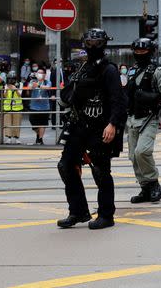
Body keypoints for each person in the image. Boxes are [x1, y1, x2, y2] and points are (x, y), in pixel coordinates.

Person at [56, 28, 127, 230]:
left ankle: (106, 215)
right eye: (89, 43)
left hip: (100, 127)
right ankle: (78, 211)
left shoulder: (109, 69)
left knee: (101, 171)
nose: (92, 47)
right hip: (79, 125)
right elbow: (68, 96)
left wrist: (113, 124)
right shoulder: (83, 67)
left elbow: (118, 100)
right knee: (66, 165)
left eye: (96, 43)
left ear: (104, 44)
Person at [126, 37, 161, 204]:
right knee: (133, 156)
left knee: (142, 152)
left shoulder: (157, 71)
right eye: (137, 51)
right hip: (132, 118)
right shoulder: (131, 71)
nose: (139, 54)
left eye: (143, 51)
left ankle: (154, 183)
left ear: (150, 52)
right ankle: (145, 188)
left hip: (149, 118)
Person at [27, 69, 52, 145]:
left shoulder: (48, 81)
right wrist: (32, 85)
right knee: (33, 123)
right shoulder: (33, 81)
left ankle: (40, 139)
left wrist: (38, 85)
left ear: (45, 74)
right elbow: (29, 88)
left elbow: (48, 87)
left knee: (42, 123)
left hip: (44, 106)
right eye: (38, 73)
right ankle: (38, 135)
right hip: (33, 106)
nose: (40, 74)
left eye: (41, 73)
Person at [1, 71, 24, 144]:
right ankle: (8, 138)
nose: (11, 80)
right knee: (7, 123)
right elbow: (5, 96)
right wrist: (7, 89)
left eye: (12, 79)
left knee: (17, 123)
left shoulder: (20, 84)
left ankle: (17, 138)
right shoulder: (6, 85)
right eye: (9, 79)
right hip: (7, 107)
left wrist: (15, 89)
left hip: (17, 107)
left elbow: (20, 94)